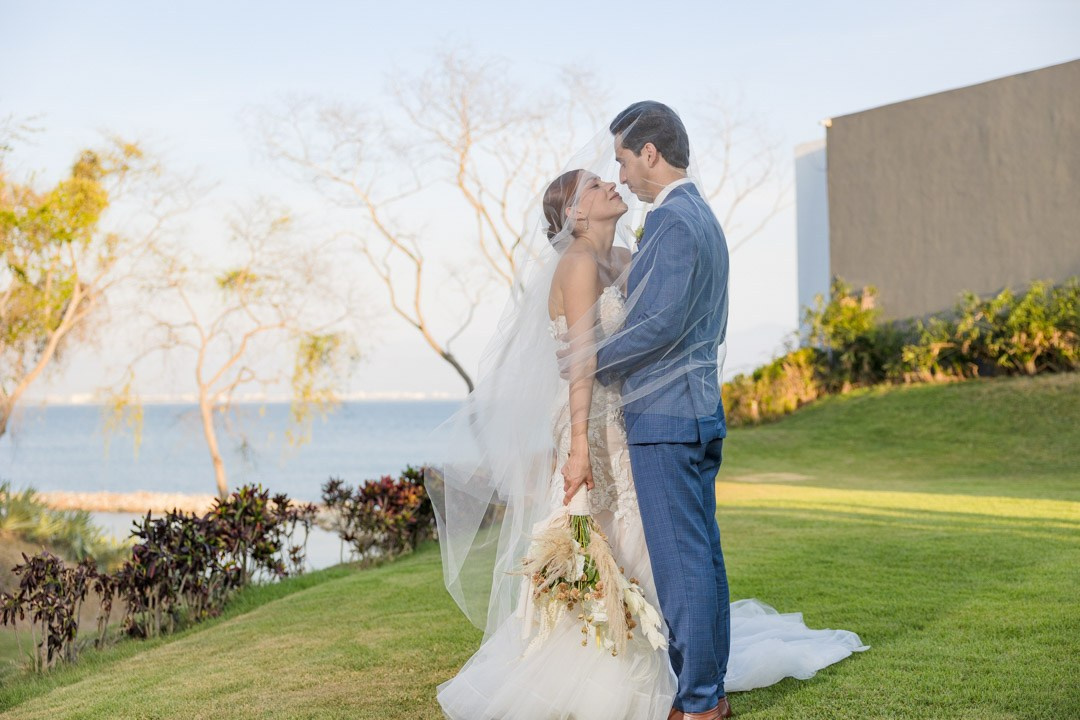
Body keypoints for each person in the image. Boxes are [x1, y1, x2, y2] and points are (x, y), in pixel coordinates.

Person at [428, 110, 867, 720]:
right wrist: (578, 432)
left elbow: (656, 325)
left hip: (657, 416)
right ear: (573, 215)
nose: (617, 177)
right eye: (600, 178)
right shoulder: (659, 232)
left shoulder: (665, 228)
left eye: (621, 162)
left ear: (650, 154)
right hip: (627, 419)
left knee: (677, 560)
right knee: (673, 555)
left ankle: (699, 698)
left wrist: (588, 359)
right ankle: (690, 686)